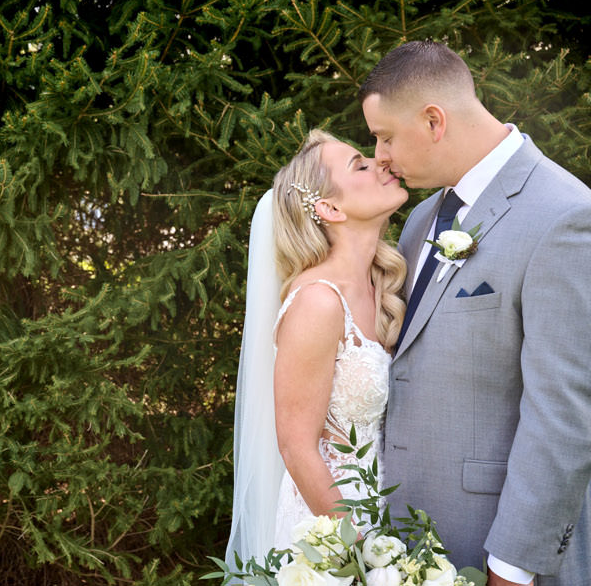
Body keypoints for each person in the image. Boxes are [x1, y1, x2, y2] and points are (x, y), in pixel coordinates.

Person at [362, 40, 591, 586]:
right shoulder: (421, 219)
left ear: (434, 120)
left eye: (385, 136)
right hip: (408, 542)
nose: (379, 156)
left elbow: (564, 414)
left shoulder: (565, 217)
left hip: (499, 551)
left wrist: (511, 568)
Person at [226, 128, 408, 563]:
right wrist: (365, 558)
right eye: (359, 165)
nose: (379, 163)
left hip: (390, 516)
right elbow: (296, 447)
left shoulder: (380, 286)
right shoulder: (318, 303)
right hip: (331, 533)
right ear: (329, 208)